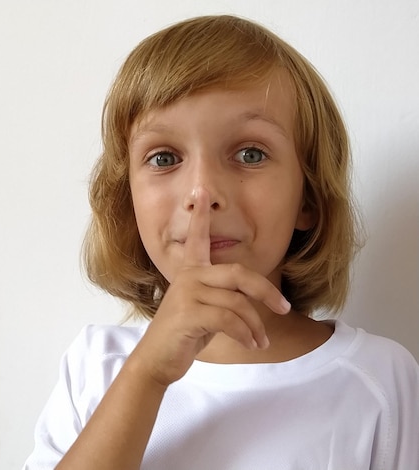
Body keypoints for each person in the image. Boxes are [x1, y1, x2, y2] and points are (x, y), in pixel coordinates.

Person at [23, 15, 419, 470]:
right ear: (126, 199)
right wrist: (148, 374)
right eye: (165, 158)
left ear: (307, 197)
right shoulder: (97, 367)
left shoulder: (378, 380)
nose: (202, 192)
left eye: (250, 154)